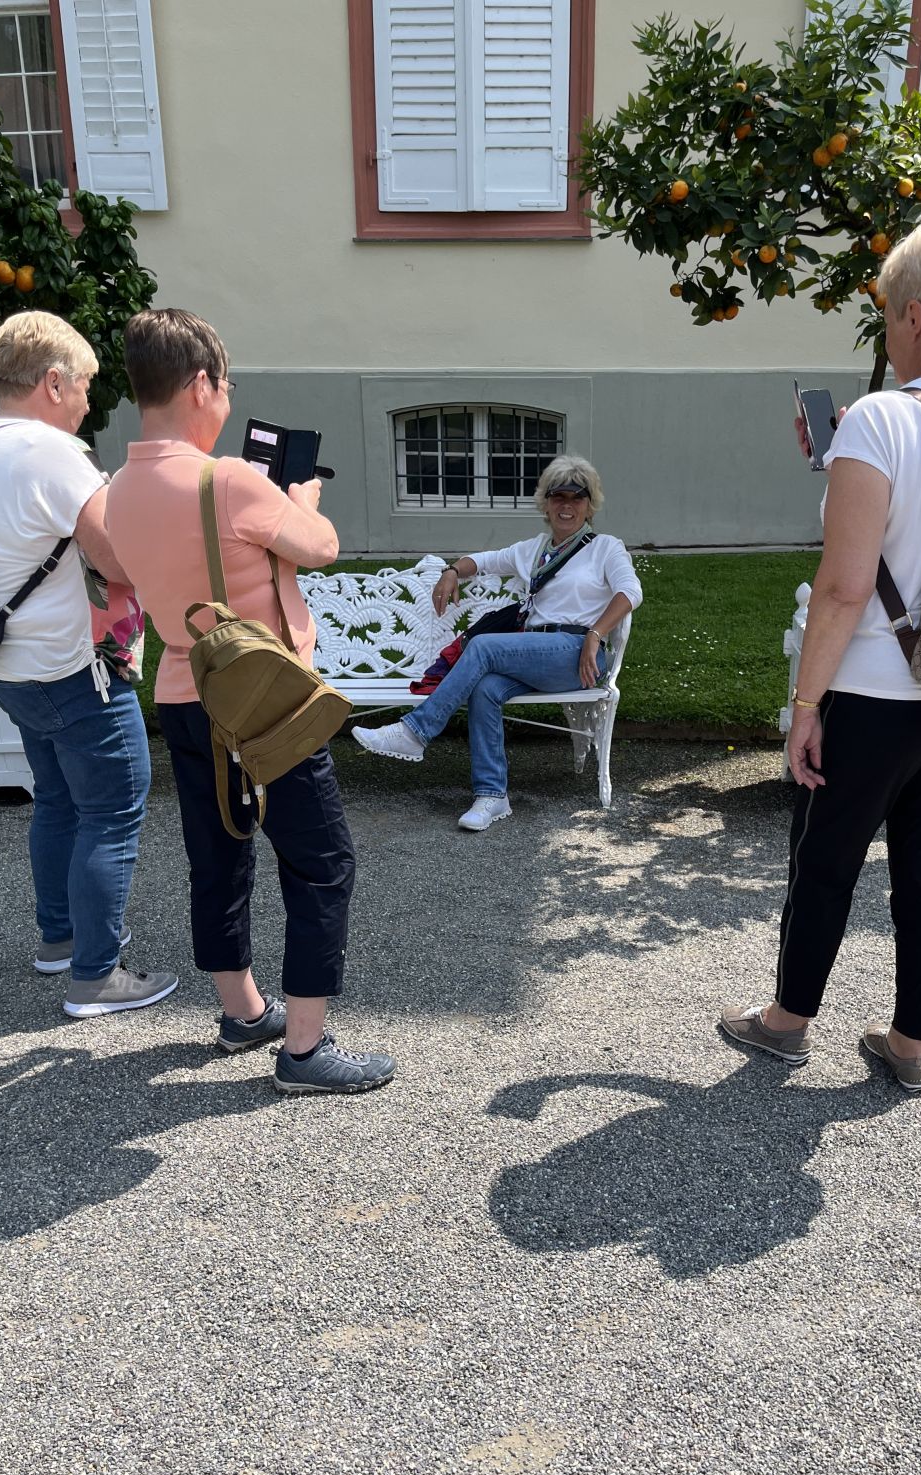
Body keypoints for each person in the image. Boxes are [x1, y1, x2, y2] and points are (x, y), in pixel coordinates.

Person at [720, 219, 921, 1093]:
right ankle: (908, 1045)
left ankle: (787, 1023)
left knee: (825, 860)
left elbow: (844, 588)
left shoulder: (877, 419)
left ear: (915, 315)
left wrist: (805, 707)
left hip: (875, 691)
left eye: (891, 310)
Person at [106, 308, 397, 1095]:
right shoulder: (231, 480)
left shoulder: (116, 490)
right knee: (322, 863)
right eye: (226, 386)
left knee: (217, 856)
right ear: (201, 384)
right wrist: (301, 498)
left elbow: (128, 569)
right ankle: (304, 1051)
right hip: (266, 701)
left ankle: (242, 1011)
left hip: (183, 694)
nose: (227, 398)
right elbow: (321, 547)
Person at [0, 311, 176, 1017]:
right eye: (82, 385)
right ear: (52, 382)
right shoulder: (51, 454)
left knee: (57, 798)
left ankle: (61, 937)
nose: (85, 401)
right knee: (113, 806)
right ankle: (97, 975)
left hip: (4, 660)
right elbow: (120, 559)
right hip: (69, 665)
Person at [352, 455, 642, 828]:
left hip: (576, 654)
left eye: (577, 497)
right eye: (558, 496)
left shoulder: (605, 547)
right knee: (486, 688)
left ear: (590, 504)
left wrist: (595, 633)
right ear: (546, 503)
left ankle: (415, 732)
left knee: (484, 646)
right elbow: (484, 560)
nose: (567, 506)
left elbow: (630, 592)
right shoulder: (535, 550)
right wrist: (452, 570)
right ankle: (491, 796)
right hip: (534, 654)